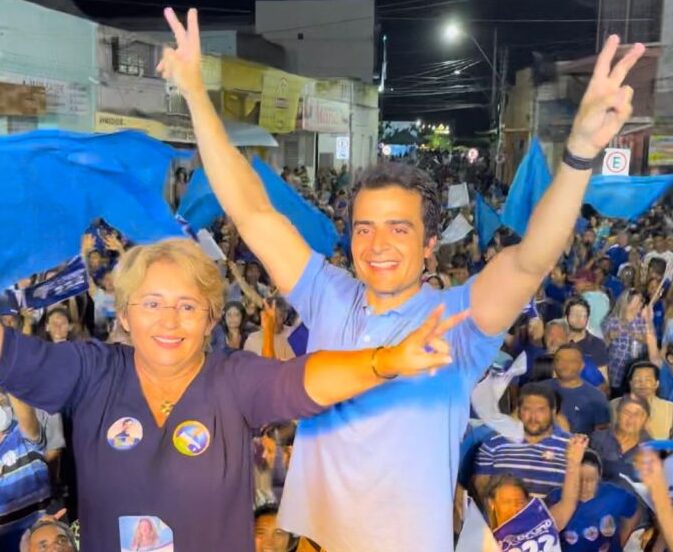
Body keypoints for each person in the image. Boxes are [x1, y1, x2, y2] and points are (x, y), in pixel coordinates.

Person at [158, 9, 644, 550]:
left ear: (430, 242)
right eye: (364, 228)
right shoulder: (325, 293)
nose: (377, 245)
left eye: (398, 228)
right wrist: (195, 92)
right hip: (311, 542)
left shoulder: (459, 320)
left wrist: (579, 153)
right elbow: (251, 211)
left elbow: (530, 260)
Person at [0, 238, 462, 551]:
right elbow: (14, 357)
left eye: (188, 306)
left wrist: (386, 360)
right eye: (152, 304)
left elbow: (302, 379)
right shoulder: (91, 371)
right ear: (123, 315)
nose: (169, 321)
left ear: (211, 319)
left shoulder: (232, 379)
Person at [474, 383, 570, 500]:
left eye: (540, 410)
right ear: (518, 410)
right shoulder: (493, 444)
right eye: (527, 409)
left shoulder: (571, 446)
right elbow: (482, 486)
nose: (533, 417)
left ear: (553, 411)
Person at [485, 434, 588, 532]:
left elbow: (567, 505)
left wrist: (573, 463)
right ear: (491, 503)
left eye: (519, 502)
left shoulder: (536, 527)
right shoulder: (482, 534)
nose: (515, 508)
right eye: (507, 502)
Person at [546, 449, 641, 551]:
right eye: (579, 479)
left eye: (590, 480)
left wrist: (622, 541)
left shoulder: (615, 495)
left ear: (599, 477)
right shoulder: (557, 498)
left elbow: (634, 512)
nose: (584, 485)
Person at [0, 393, 51, 551]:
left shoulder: (20, 433)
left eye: (1, 401)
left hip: (42, 535)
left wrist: (12, 384)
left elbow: (28, 422)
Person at [546, 344, 611, 435]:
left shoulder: (597, 398)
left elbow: (602, 435)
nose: (565, 365)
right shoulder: (537, 390)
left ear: (582, 366)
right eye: (559, 360)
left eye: (571, 361)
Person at [590, 394, 651, 482]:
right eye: (626, 413)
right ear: (618, 413)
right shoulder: (598, 439)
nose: (631, 419)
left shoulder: (652, 448)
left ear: (646, 419)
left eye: (637, 414)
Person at [610, 361, 673, 440]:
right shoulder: (614, 405)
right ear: (630, 383)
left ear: (656, 384)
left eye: (648, 380)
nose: (642, 384)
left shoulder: (670, 409)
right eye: (637, 380)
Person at [602, 288, 647, 395]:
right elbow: (602, 346)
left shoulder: (643, 321)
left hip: (636, 368)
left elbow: (650, 343)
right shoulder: (612, 321)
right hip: (616, 369)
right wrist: (609, 337)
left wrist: (639, 337)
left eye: (641, 301)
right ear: (627, 303)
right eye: (638, 301)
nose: (641, 304)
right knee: (616, 396)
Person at [565, 296, 610, 388]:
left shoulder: (597, 344)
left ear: (587, 318)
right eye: (574, 314)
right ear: (566, 317)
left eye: (583, 315)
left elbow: (604, 381)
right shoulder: (560, 341)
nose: (578, 318)